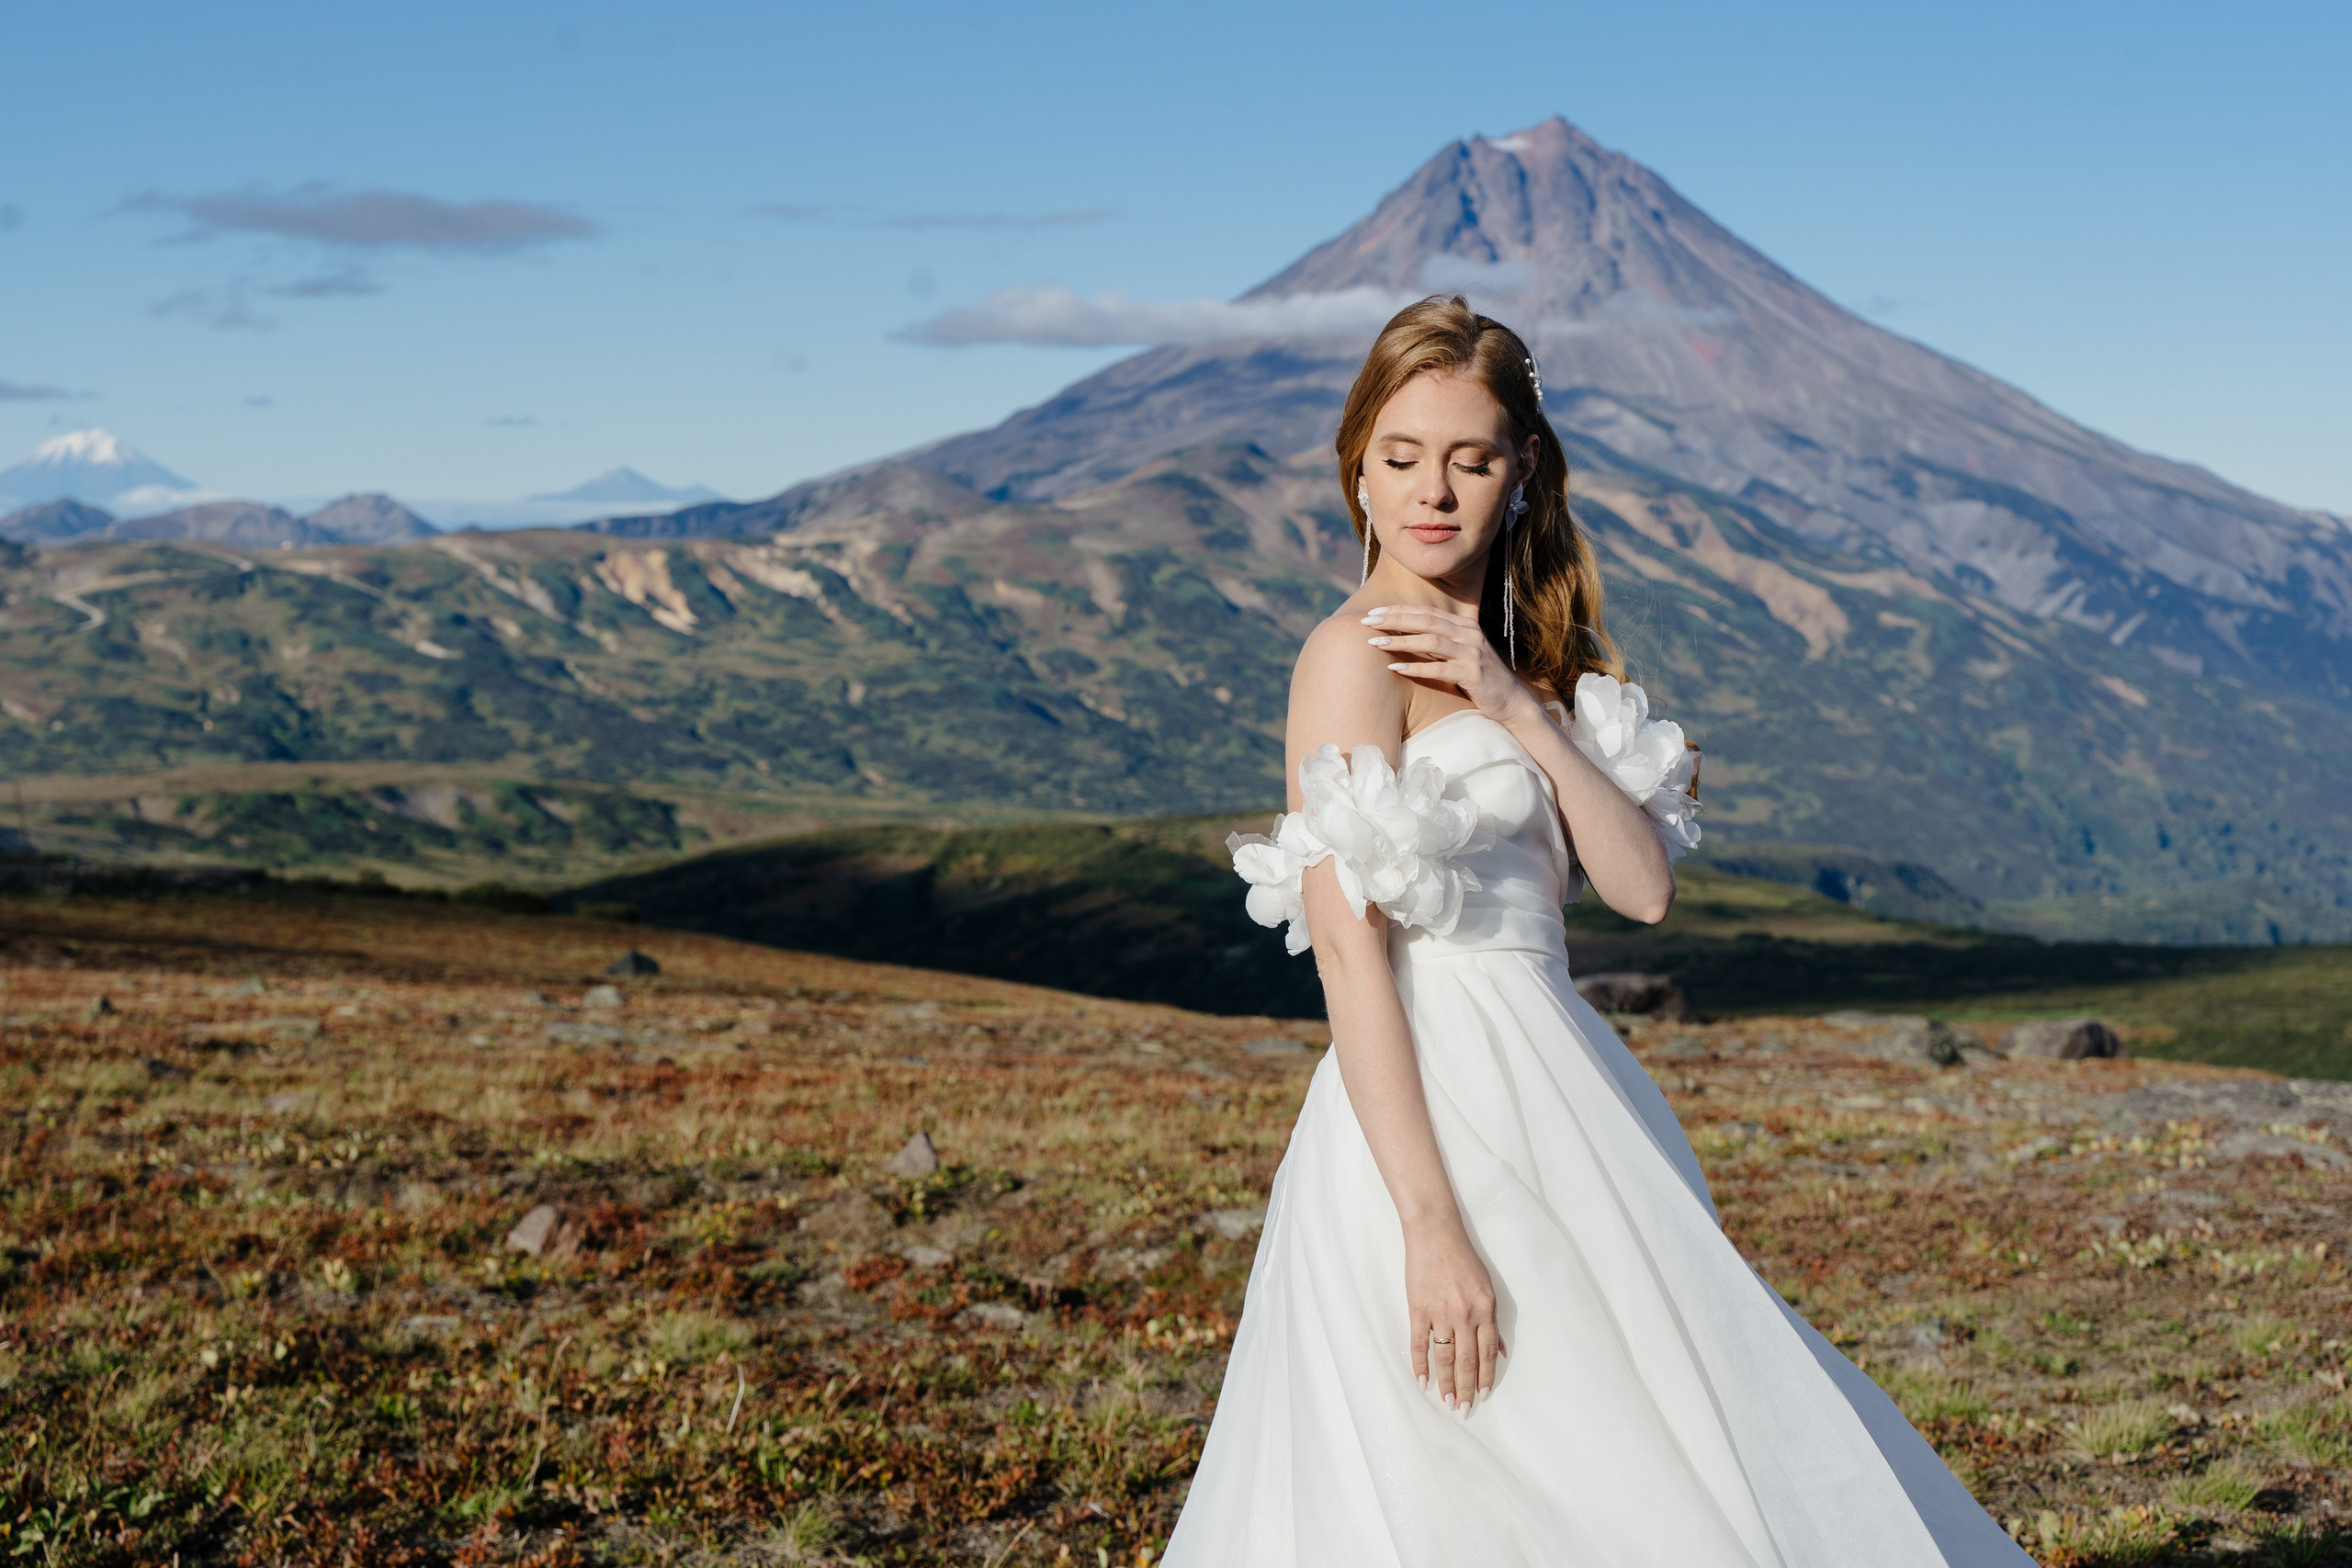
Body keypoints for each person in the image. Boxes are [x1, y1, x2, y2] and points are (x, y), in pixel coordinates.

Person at [1162, 297, 2031, 1566]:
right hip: (1429, 1114)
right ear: (1358, 467)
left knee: (1649, 1433)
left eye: (1471, 460)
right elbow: (1351, 953)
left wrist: (1516, 704)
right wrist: (1428, 1224)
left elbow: (1641, 890)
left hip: (1562, 1087)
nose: (1433, 492)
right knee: (1508, 1456)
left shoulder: (1527, 663)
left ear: (1522, 474)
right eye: (1402, 457)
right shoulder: (1349, 656)